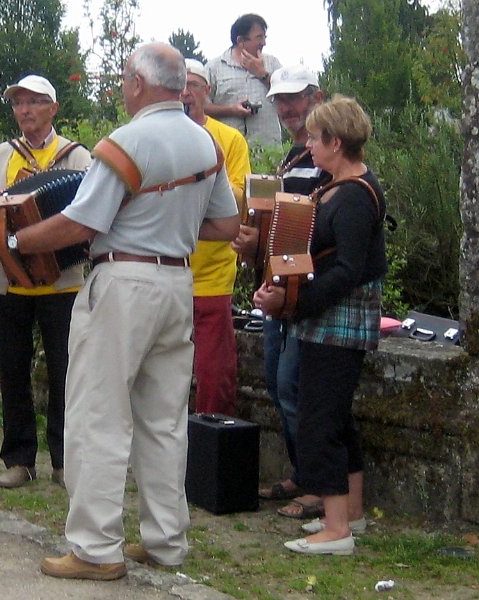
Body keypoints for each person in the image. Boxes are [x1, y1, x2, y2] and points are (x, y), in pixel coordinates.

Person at [0, 42, 239, 579]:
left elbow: (78, 225)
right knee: (163, 420)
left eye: (122, 80)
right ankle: (165, 540)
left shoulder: (126, 141)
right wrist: (169, 225)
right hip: (176, 280)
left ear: (139, 82)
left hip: (124, 283)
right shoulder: (205, 142)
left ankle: (95, 547)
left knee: (98, 414)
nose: (119, 87)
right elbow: (227, 227)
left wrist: (12, 246)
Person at [254, 96, 386, 555]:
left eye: (315, 138)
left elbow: (348, 268)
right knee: (337, 415)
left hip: (339, 321)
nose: (308, 146)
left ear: (336, 140)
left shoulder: (351, 195)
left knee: (320, 419)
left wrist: (295, 304)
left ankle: (336, 530)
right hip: (328, 318)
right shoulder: (340, 187)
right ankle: (350, 513)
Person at [0, 74, 91, 489]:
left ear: (53, 109)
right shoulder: (1, 155)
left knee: (66, 372)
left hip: (64, 282)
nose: (25, 110)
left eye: (34, 102)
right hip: (8, 281)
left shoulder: (78, 157)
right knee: (13, 370)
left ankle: (65, 460)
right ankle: (20, 459)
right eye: (18, 103)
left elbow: (91, 217)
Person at [232, 65, 329, 520]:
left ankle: (315, 483)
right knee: (277, 381)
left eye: (295, 98)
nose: (287, 108)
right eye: (280, 100)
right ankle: (301, 472)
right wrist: (254, 246)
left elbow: (317, 232)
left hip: (307, 293)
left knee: (293, 385)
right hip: (278, 291)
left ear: (317, 96)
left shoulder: (328, 159)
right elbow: (280, 231)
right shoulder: (294, 157)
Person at [182, 59, 251, 415]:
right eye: (180, 84)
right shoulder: (155, 136)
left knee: (214, 369)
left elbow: (239, 198)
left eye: (194, 84)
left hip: (211, 274)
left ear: (207, 91)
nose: (186, 92)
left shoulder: (230, 139)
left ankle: (213, 446)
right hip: (163, 270)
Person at [204, 13, 282, 147]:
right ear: (240, 41)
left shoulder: (272, 63)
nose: (264, 43)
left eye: (264, 37)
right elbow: (202, 107)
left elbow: (287, 96)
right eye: (259, 37)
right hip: (228, 150)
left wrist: (262, 74)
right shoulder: (213, 68)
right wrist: (231, 110)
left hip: (268, 151)